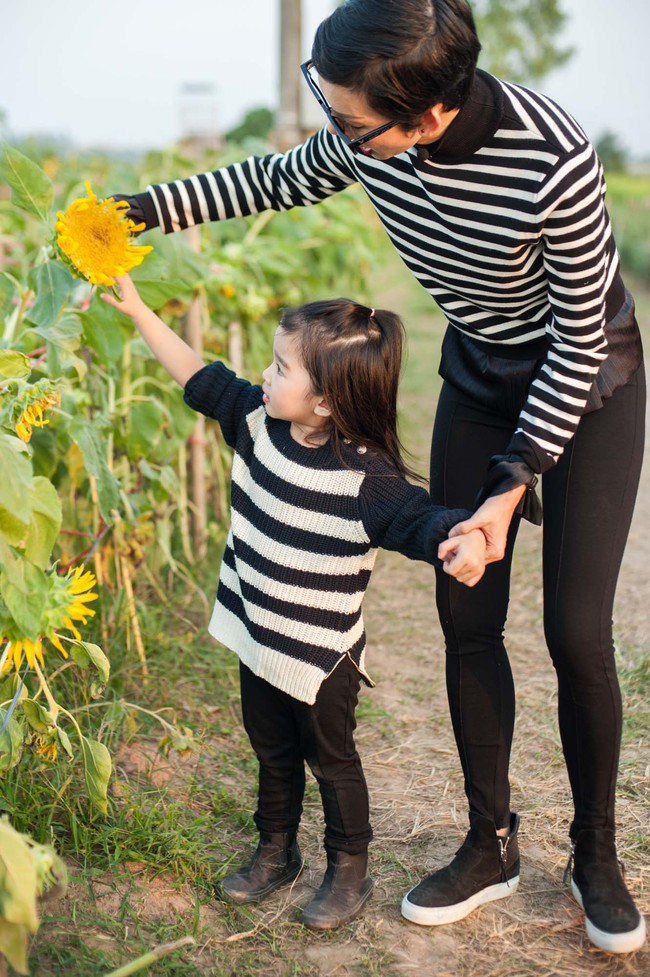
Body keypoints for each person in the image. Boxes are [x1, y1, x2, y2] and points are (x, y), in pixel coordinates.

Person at [113, 0, 646, 952]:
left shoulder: (551, 154)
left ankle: (595, 854)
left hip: (586, 377)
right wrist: (143, 213)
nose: (340, 136)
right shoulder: (368, 134)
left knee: (574, 629)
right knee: (464, 614)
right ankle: (491, 843)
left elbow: (579, 335)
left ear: (430, 115)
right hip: (480, 370)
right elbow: (274, 178)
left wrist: (509, 485)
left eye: (354, 122)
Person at [101, 273, 486, 930]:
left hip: (320, 656)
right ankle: (276, 850)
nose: (264, 375)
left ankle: (349, 868)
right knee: (270, 748)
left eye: (281, 368)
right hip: (258, 634)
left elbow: (425, 523)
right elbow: (196, 372)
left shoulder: (368, 481)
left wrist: (467, 540)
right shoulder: (254, 421)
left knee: (331, 760)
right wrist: (138, 309)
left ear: (327, 402)